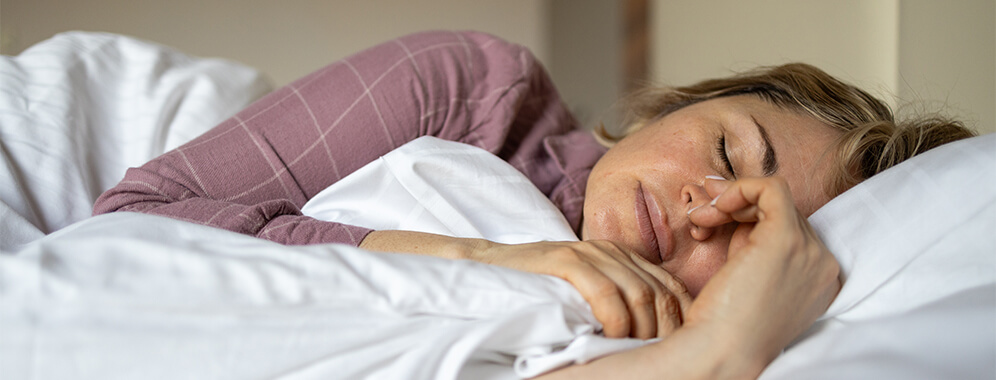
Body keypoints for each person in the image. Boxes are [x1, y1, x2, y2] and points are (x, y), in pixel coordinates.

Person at [93, 31, 973, 378]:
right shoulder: (475, 91)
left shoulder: (643, 328)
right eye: (726, 153)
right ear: (669, 105)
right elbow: (131, 219)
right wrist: (487, 261)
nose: (706, 208)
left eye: (745, 235)